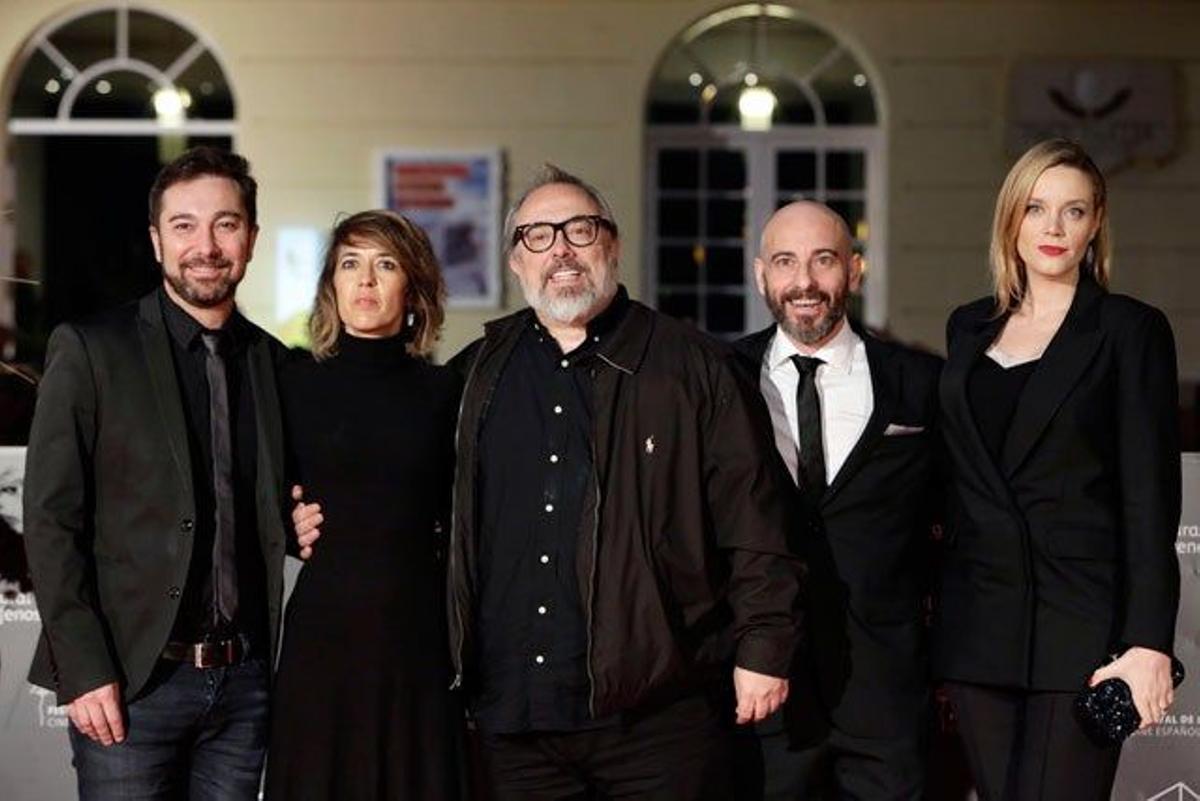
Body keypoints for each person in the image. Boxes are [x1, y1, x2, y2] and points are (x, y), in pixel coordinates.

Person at [295, 164, 805, 800]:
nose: (560, 249)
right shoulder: (477, 375)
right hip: (516, 721)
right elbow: (391, 476)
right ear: (516, 261)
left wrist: (763, 648)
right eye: (538, 235)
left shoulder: (692, 366)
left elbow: (754, 519)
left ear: (611, 244)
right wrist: (299, 517)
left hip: (656, 716)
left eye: (579, 230)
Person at [22, 146, 288, 800]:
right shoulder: (90, 348)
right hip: (131, 685)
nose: (207, 244)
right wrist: (83, 669)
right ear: (155, 239)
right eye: (184, 225)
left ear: (251, 238)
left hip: (246, 684)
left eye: (226, 223)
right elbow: (51, 518)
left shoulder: (277, 364)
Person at [935, 138, 1181, 800]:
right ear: (1010, 218)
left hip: (1082, 628)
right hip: (979, 625)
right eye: (1037, 208)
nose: (1052, 228)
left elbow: (1150, 501)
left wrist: (1148, 642)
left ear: (1096, 221)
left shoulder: (1130, 330)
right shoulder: (967, 328)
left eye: (1073, 211)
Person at [732, 202, 942, 800]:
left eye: (823, 260)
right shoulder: (722, 378)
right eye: (785, 262)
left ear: (854, 270)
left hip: (889, 691)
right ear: (761, 275)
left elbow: (962, 525)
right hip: (764, 688)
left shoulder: (920, 382)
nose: (804, 281)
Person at [264, 210, 462, 800]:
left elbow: (466, 510)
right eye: (351, 264)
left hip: (417, 639)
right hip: (323, 640)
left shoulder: (446, 391)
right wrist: (285, 520)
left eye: (385, 264)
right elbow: (250, 485)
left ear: (413, 289)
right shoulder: (292, 382)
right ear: (331, 285)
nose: (366, 281)